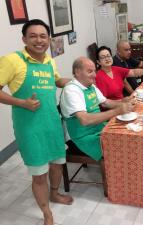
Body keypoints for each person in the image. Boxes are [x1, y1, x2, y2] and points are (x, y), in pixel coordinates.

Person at [0, 19, 72, 225]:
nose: (39, 40)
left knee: (57, 164)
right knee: (39, 175)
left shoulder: (49, 60)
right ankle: (47, 213)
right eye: (33, 36)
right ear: (24, 39)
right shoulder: (12, 60)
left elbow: (55, 80)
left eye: (43, 36)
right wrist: (22, 102)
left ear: (49, 39)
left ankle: (55, 193)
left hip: (52, 122)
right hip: (29, 128)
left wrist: (76, 80)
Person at [60, 57, 135, 162]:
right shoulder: (72, 90)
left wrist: (123, 102)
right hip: (81, 137)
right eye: (90, 71)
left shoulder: (90, 86)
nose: (95, 75)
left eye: (94, 71)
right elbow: (85, 120)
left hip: (98, 128)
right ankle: (115, 175)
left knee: (128, 136)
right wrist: (117, 111)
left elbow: (106, 102)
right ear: (77, 72)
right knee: (119, 150)